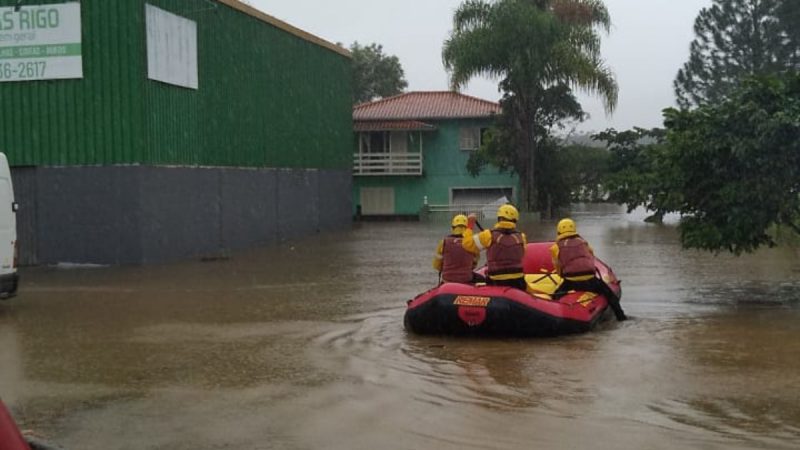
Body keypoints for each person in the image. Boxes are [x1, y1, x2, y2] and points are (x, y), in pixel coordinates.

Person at [550, 218, 627, 321]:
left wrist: (563, 275)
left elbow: (558, 266)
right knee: (610, 295)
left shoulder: (555, 248)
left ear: (559, 231)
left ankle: (556, 313)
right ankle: (621, 317)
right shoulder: (584, 243)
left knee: (555, 295)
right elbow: (591, 258)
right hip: (590, 280)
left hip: (571, 282)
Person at [462, 204, 527, 291]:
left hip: (496, 281)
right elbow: (522, 254)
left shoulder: (488, 235)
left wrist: (470, 226)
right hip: (518, 282)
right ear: (515, 220)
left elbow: (467, 244)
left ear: (499, 219)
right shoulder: (521, 237)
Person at [432, 214, 480, 284]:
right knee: (482, 279)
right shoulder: (472, 242)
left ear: (452, 228)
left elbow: (436, 265)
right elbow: (474, 263)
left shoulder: (444, 242)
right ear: (467, 228)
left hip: (447, 280)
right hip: (466, 279)